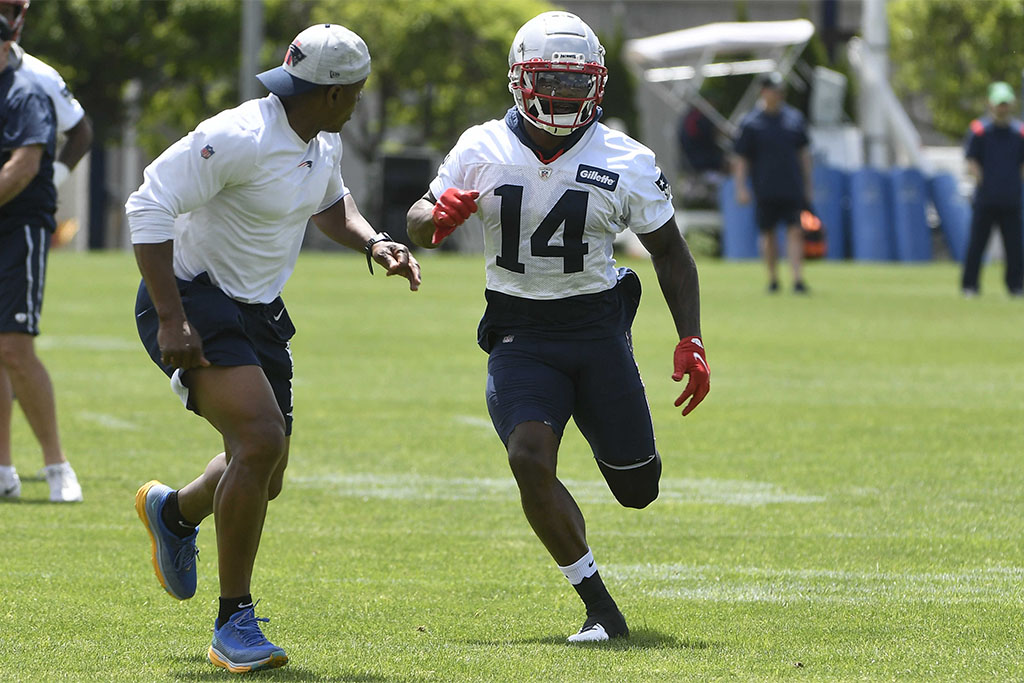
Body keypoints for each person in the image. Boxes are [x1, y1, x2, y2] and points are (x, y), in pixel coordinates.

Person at [406, 11, 710, 643]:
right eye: (553, 82)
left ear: (597, 86)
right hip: (519, 331)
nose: (566, 97)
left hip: (597, 330)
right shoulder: (482, 146)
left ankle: (611, 508)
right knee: (528, 458)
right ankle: (600, 607)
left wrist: (691, 337)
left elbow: (672, 252)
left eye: (578, 84)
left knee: (638, 489)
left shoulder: (625, 157)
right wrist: (435, 216)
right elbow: (418, 223)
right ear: (521, 80)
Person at [125, 24, 421, 673]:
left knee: (265, 469)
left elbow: (329, 204)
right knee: (260, 441)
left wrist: (374, 242)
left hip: (257, 312)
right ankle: (235, 621)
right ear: (340, 93)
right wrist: (173, 320)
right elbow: (148, 204)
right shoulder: (238, 137)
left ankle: (173, 512)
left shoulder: (321, 142)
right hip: (190, 296)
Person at [0, 13, 81, 503]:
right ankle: (3, 470)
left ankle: (57, 467)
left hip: (18, 229)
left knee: (14, 348)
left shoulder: (26, 90)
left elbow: (25, 164)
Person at [732, 72, 813, 293]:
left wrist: (808, 184)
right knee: (767, 232)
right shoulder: (750, 123)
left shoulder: (794, 119)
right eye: (774, 90)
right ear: (764, 92)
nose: (778, 95)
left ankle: (797, 278)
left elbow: (803, 155)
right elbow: (741, 159)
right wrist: (740, 187)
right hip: (764, 187)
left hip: (791, 185)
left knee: (796, 230)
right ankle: (773, 278)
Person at [0, 0, 93, 190]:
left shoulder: (40, 77)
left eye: (4, 10)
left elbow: (80, 132)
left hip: (19, 208)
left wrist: (55, 177)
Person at [960, 81, 1024, 298]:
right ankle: (970, 286)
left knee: (1015, 248)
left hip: (1012, 199)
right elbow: (971, 160)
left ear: (1011, 105)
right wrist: (982, 181)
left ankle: (1015, 287)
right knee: (977, 245)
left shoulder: (1019, 132)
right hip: (985, 199)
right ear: (991, 104)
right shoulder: (980, 131)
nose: (1002, 108)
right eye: (999, 104)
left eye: (1005, 104)